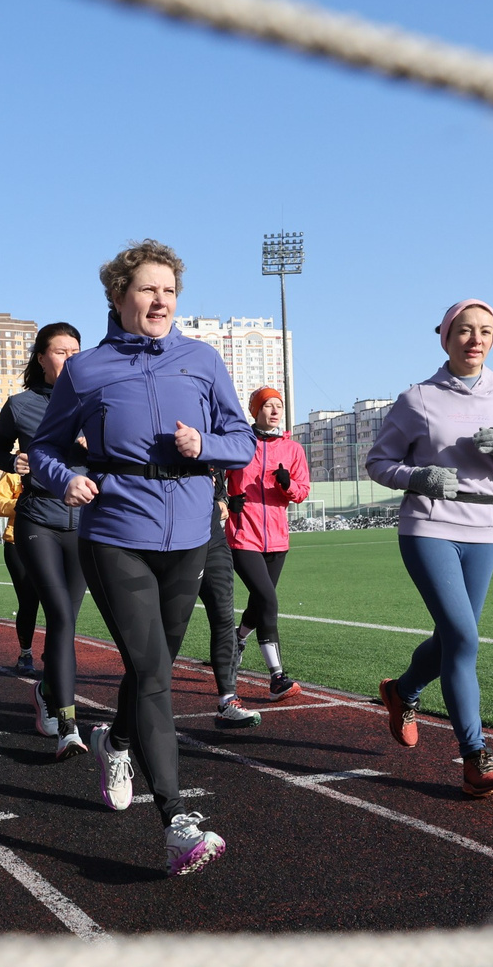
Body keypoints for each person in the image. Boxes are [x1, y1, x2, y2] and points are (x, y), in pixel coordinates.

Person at [31, 239, 253, 875]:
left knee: (154, 661)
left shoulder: (203, 360)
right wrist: (63, 479)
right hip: (117, 529)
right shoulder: (87, 370)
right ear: (119, 296)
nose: (161, 300)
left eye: (170, 291)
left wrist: (202, 442)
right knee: (152, 668)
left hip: (191, 533)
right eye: (148, 289)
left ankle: (116, 740)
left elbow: (240, 441)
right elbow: (45, 448)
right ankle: (177, 819)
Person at [366, 299, 493, 798]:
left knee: (454, 638)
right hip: (428, 526)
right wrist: (419, 475)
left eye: (484, 331)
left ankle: (403, 690)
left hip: (486, 527)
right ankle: (475, 756)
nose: (474, 339)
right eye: (463, 330)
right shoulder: (417, 398)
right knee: (465, 638)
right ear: (445, 336)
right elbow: (378, 462)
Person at [0, 321, 89, 756]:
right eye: (60, 351)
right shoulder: (21, 405)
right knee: (61, 617)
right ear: (41, 358)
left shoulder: (94, 401)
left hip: (86, 525)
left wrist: (95, 445)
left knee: (69, 621)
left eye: (75, 351)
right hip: (38, 520)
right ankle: (68, 723)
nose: (70, 358)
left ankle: (47, 691)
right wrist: (16, 461)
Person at [227, 387, 310, 698]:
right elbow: (213, 476)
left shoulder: (293, 450)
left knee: (260, 600)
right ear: (255, 410)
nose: (275, 410)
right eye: (268, 405)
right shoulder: (238, 443)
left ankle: (237, 639)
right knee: (269, 600)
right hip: (242, 535)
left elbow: (302, 491)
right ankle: (277, 677)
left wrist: (288, 485)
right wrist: (224, 499)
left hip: (277, 539)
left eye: (279, 405)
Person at [198, 470, 259, 728]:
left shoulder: (210, 438)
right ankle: (145, 702)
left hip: (212, 535)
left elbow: (217, 478)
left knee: (224, 616)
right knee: (167, 625)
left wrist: (221, 498)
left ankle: (228, 700)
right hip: (172, 538)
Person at [0, 466, 42, 673]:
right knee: (29, 601)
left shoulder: (60, 462)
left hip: (54, 543)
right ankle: (26, 653)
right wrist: (23, 502)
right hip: (17, 543)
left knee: (56, 603)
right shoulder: (14, 470)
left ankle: (56, 653)